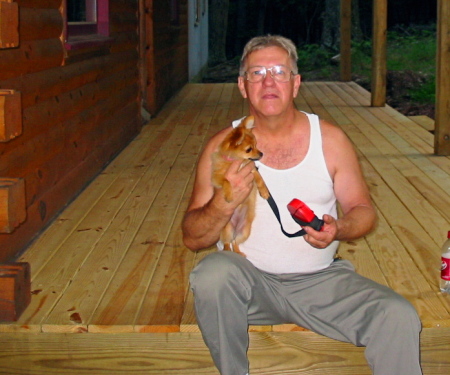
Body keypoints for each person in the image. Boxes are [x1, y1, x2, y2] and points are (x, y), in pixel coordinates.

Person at [182, 35, 422, 375]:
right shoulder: (221, 146)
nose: (268, 81)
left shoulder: (331, 139)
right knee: (212, 274)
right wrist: (224, 203)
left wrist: (339, 228)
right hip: (249, 287)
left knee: (398, 315)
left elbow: (363, 211)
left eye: (279, 71)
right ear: (241, 85)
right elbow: (192, 237)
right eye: (257, 72)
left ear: (295, 84)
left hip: (320, 281)